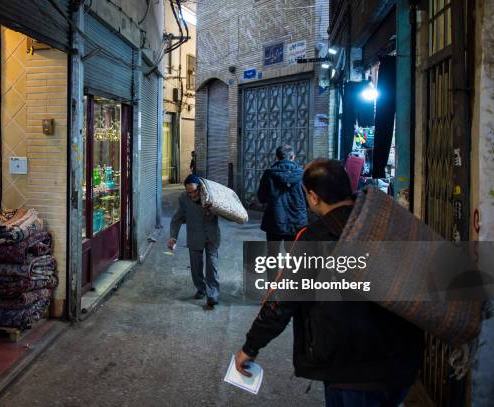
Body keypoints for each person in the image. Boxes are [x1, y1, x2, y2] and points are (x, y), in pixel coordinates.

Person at [235, 159, 424, 407]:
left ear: (313, 197)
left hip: (349, 370)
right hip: (401, 364)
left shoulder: (315, 238)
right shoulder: (386, 222)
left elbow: (282, 301)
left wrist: (250, 347)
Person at [168, 174, 221, 308]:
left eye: (194, 191)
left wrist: (214, 207)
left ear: (200, 187)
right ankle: (201, 288)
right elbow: (177, 218)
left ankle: (212, 295)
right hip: (194, 236)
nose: (192, 195)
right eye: (189, 192)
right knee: (196, 267)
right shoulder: (184, 199)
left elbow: (226, 210)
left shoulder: (211, 196)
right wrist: (173, 237)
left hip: (211, 236)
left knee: (212, 266)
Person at [257, 145, 307, 259]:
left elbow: (261, 198)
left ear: (277, 157)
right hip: (297, 221)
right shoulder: (302, 175)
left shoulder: (269, 174)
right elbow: (309, 200)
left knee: (272, 256)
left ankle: (274, 278)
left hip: (274, 221)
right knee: (295, 256)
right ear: (293, 157)